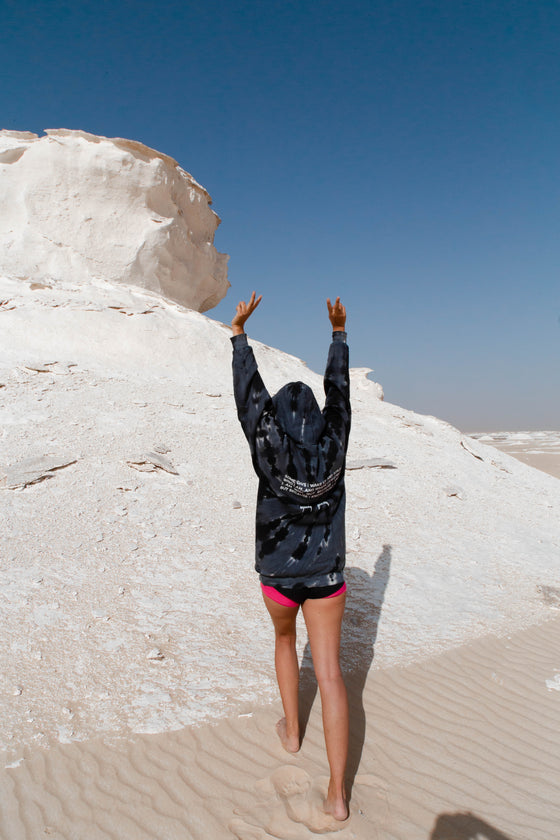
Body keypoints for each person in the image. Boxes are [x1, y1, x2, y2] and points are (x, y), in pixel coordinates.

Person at [230, 292, 351, 821]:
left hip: (278, 570)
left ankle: (292, 733)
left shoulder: (268, 442)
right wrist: (338, 336)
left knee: (283, 638)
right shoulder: (336, 441)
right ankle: (337, 796)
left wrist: (239, 336)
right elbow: (340, 395)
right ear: (320, 421)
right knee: (330, 675)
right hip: (326, 574)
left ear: (277, 416)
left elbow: (248, 395)